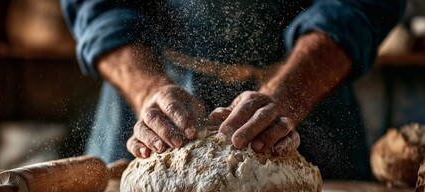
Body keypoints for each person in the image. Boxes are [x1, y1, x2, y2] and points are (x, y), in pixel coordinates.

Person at [61, 0, 405, 180]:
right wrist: (148, 87)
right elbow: (97, 6)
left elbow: (361, 4)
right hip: (151, 110)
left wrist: (288, 95)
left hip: (307, 99)